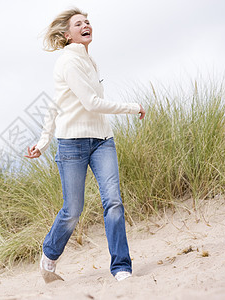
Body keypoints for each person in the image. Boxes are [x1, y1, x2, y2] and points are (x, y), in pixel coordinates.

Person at [25, 8, 146, 283]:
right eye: (78, 23)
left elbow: (59, 103)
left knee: (113, 201)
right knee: (73, 210)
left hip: (103, 140)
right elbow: (87, 103)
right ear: (67, 35)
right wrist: (133, 107)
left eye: (87, 22)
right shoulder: (68, 62)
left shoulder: (89, 61)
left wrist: (43, 142)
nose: (86, 25)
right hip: (72, 144)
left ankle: (121, 267)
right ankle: (49, 254)